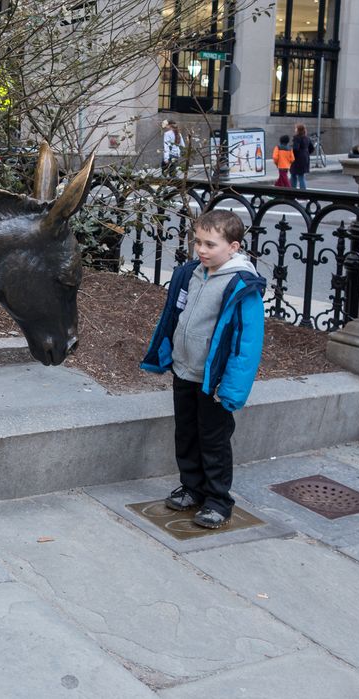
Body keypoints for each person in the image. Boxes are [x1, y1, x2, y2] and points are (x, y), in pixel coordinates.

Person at [140, 210, 267, 529]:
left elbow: (246, 344)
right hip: (185, 371)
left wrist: (232, 389)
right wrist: (165, 353)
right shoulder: (189, 274)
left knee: (213, 440)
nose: (201, 249)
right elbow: (174, 316)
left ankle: (218, 500)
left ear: (234, 247)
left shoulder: (241, 286)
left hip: (215, 381)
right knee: (186, 433)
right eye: (198, 242)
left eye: (210, 244)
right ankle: (192, 487)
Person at [290, 123, 313, 190]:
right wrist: (306, 153)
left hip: (297, 159)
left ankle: (293, 191)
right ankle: (302, 193)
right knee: (301, 176)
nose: (295, 129)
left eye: (296, 128)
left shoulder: (297, 137)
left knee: (294, 175)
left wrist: (291, 157)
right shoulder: (307, 138)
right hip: (305, 158)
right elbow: (311, 148)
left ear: (298, 130)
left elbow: (295, 149)